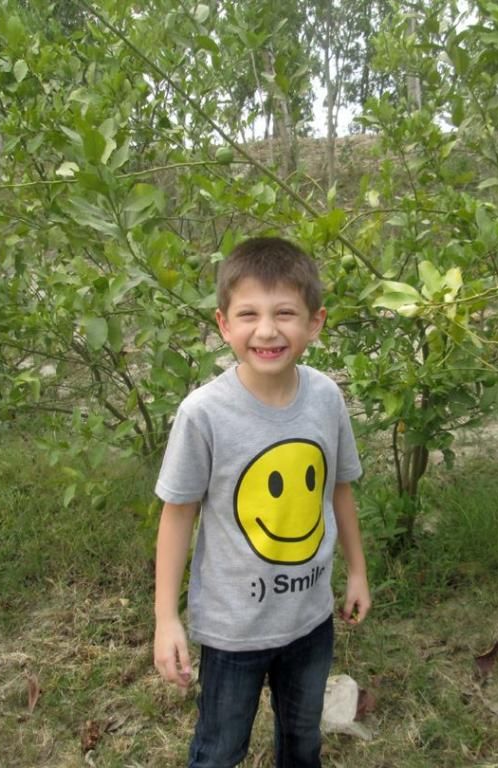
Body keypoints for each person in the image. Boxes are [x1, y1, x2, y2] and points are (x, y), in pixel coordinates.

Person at [152, 236, 371, 768]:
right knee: (219, 749)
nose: (267, 330)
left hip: (310, 618)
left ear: (315, 323)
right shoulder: (204, 414)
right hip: (233, 629)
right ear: (224, 324)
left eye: (285, 313)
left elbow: (338, 487)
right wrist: (165, 618)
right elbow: (178, 514)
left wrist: (358, 573)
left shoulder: (326, 398)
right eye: (248, 314)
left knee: (302, 742)